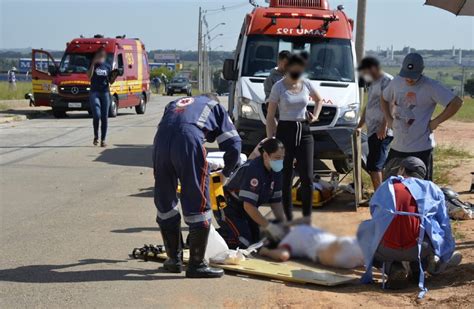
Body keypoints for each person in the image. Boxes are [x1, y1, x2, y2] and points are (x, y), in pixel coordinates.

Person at [152, 94, 241, 278]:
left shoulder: (174, 103)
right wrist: (225, 175)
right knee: (197, 200)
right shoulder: (214, 106)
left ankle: (173, 260)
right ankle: (196, 264)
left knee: (165, 199)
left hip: (160, 141)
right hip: (188, 140)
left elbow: (172, 126)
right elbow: (234, 144)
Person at [357, 157, 462, 294]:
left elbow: (375, 213)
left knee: (365, 231)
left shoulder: (386, 186)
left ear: (402, 170)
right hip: (419, 247)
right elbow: (444, 224)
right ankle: (422, 265)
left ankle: (393, 268)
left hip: (386, 248)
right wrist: (444, 252)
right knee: (430, 226)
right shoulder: (431, 188)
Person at [381, 53, 463, 180]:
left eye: (413, 76)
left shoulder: (431, 86)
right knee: (391, 186)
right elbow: (384, 97)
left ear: (421, 71)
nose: (409, 79)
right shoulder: (396, 82)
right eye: (406, 75)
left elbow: (456, 102)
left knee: (420, 190)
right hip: (397, 146)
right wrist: (388, 118)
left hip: (420, 148)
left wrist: (436, 122)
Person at [266, 54, 323, 221]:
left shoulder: (306, 83)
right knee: (285, 176)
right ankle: (287, 218)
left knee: (307, 176)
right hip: (285, 130)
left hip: (304, 130)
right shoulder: (278, 87)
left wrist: (316, 116)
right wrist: (271, 141)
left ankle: (307, 217)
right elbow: (270, 116)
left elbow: (319, 100)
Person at [217, 138, 287, 249]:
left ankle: (233, 230)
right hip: (227, 205)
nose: (280, 161)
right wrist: (269, 226)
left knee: (257, 240)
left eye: (282, 158)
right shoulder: (254, 170)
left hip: (246, 207)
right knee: (243, 242)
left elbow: (276, 202)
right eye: (277, 158)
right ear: (265, 156)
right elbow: (248, 206)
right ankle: (204, 237)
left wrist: (284, 224)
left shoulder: (276, 171)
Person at [356, 57, 394, 190]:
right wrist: (360, 125)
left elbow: (390, 104)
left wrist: (384, 127)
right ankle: (381, 192)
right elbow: (369, 106)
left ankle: (381, 196)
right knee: (373, 164)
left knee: (376, 165)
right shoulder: (373, 82)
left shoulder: (387, 80)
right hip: (373, 130)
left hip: (382, 130)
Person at [260, 224, 364, 269]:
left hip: (330, 252)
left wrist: (266, 252)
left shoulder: (287, 241)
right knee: (375, 259)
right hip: (342, 244)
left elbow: (283, 255)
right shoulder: (302, 228)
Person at [87, 48, 118, 147]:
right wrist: (93, 63)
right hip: (94, 92)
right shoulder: (93, 64)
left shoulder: (107, 66)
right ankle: (96, 136)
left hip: (105, 92)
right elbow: (89, 76)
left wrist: (114, 76)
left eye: (103, 55)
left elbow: (110, 81)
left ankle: (103, 140)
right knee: (96, 115)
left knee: (104, 117)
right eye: (99, 54)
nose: (101, 56)